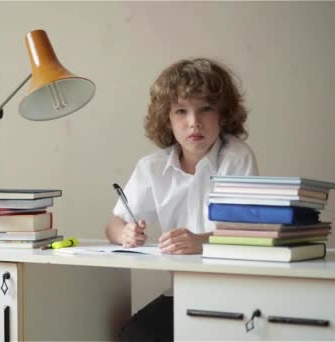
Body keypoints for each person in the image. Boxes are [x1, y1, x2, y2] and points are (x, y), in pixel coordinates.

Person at [105, 58, 259, 341]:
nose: (194, 122)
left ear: (223, 115)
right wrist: (125, 234)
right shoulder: (152, 167)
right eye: (180, 111)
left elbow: (249, 234)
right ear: (167, 118)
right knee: (135, 335)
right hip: (183, 291)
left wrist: (200, 241)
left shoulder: (237, 157)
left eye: (206, 109)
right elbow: (114, 223)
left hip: (235, 291)